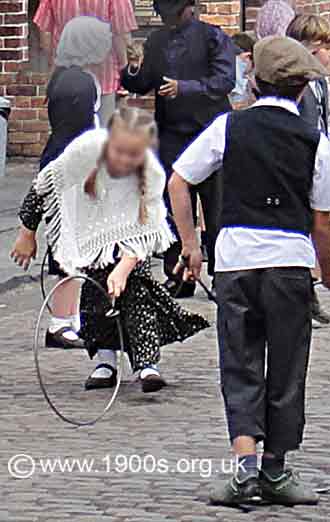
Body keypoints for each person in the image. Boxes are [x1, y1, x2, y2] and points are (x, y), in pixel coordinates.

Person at [169, 36, 330, 506]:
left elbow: (179, 180)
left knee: (240, 360)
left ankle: (244, 470)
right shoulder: (315, 141)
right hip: (289, 265)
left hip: (235, 262)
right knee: (287, 366)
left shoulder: (229, 126)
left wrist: (192, 246)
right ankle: (276, 470)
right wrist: (327, 271)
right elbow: (323, 220)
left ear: (253, 81)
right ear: (304, 90)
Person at [31, 107, 209, 392]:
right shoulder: (85, 153)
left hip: (130, 240)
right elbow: (44, 187)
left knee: (136, 295)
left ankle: (146, 364)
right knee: (96, 299)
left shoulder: (150, 173)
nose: (125, 161)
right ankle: (105, 361)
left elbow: (145, 230)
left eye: (133, 155)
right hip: (91, 234)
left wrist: (124, 268)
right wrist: (27, 234)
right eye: (120, 152)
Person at [121, 0, 235, 299]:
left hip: (209, 131)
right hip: (172, 132)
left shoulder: (213, 37)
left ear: (190, 9)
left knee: (216, 205)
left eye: (173, 14)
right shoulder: (157, 40)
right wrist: (133, 69)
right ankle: (179, 272)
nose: (168, 20)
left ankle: (221, 274)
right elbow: (142, 83)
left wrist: (184, 87)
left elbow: (224, 80)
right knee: (171, 207)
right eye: (163, 15)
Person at [11, 16, 112, 349]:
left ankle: (70, 318)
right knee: (68, 250)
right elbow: (76, 134)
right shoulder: (78, 83)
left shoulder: (69, 78)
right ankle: (61, 321)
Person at [287, 14, 330, 326]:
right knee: (329, 228)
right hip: (305, 167)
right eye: (328, 48)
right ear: (313, 49)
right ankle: (306, 287)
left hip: (324, 162)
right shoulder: (297, 83)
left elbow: (327, 128)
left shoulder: (322, 83)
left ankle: (307, 285)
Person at [33, 0, 137, 126]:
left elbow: (44, 30)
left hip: (65, 77)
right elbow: (121, 34)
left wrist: (54, 62)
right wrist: (125, 71)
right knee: (102, 137)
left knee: (66, 137)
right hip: (104, 78)